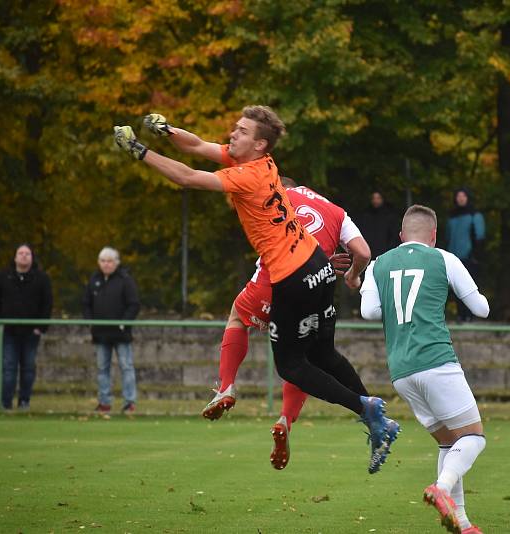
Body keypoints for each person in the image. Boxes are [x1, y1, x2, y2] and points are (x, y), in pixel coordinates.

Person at [113, 108, 399, 473]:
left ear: (259, 143)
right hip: (319, 267)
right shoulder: (265, 164)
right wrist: (166, 130)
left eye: (242, 130)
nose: (233, 133)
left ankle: (367, 409)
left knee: (292, 366)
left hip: (292, 278)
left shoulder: (247, 176)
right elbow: (197, 145)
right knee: (323, 355)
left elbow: (186, 177)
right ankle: (373, 422)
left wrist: (139, 150)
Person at [202, 175, 372, 470]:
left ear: (281, 186)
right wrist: (352, 275)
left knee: (237, 316)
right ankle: (285, 420)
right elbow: (363, 252)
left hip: (274, 283)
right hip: (316, 289)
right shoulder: (335, 211)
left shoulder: (275, 198)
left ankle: (226, 386)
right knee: (302, 359)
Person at [360, 205, 490, 534]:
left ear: (402, 236)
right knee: (473, 437)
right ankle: (440, 488)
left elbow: (370, 313)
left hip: (401, 370)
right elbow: (481, 309)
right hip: (436, 361)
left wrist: (366, 284)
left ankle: (461, 522)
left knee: (448, 444)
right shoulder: (443, 258)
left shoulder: (378, 263)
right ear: (433, 236)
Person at [0, 244, 53, 410]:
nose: (24, 256)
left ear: (32, 257)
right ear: (15, 257)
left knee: (28, 368)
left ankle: (24, 402)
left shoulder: (42, 279)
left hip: (31, 332)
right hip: (9, 332)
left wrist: (41, 327)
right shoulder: (4, 277)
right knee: (9, 368)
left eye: (27, 253)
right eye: (21, 253)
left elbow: (47, 304)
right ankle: (5, 403)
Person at [82, 247, 141, 414]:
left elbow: (134, 304)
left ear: (116, 262)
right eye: (103, 261)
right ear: (98, 263)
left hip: (121, 334)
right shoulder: (94, 280)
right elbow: (85, 304)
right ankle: (104, 403)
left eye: (109, 261)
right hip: (100, 334)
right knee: (102, 368)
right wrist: (90, 322)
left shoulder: (125, 280)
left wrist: (124, 323)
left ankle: (129, 403)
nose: (106, 264)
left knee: (126, 367)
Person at [445, 188, 485, 322]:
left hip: (469, 257)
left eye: (463, 196)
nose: (460, 198)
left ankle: (470, 315)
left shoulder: (475, 215)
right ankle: (460, 315)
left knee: (469, 287)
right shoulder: (451, 216)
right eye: (458, 196)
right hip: (453, 257)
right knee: (456, 287)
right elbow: (448, 237)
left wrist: (475, 256)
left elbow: (480, 238)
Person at [356, 191, 400, 260]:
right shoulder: (365, 216)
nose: (376, 200)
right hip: (369, 253)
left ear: (382, 199)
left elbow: (394, 236)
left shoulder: (389, 216)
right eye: (374, 198)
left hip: (385, 254)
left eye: (378, 198)